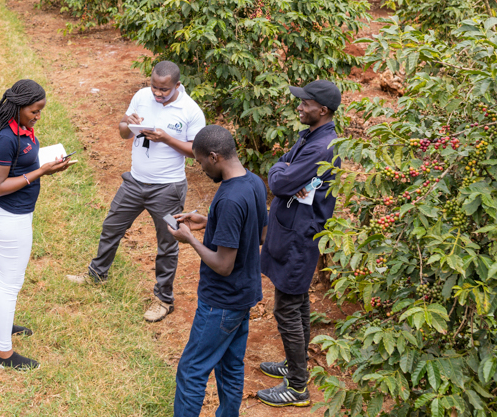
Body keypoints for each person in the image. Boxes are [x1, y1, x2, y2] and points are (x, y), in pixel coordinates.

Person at [66, 61, 206, 322]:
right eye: (154, 87)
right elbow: (122, 133)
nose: (157, 93)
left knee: (168, 242)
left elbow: (197, 151)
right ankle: (97, 274)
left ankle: (164, 299)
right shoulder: (142, 96)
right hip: (134, 182)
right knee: (111, 226)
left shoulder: (190, 111)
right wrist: (126, 123)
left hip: (168, 190)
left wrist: (166, 139)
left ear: (177, 85)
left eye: (164, 90)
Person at [168, 125, 267, 417]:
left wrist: (190, 240)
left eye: (199, 162)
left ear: (214, 157)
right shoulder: (254, 183)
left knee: (191, 370)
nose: (200, 169)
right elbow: (258, 235)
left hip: (220, 302)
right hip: (244, 294)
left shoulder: (229, 199)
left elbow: (224, 265)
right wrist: (207, 221)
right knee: (230, 366)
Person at [256, 79, 343, 408]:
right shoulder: (313, 136)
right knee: (298, 302)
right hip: (293, 229)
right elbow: (285, 168)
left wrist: (281, 170)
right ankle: (297, 366)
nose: (299, 107)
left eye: (304, 103)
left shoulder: (321, 147)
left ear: (321, 110)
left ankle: (296, 387)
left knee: (287, 307)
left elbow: (280, 181)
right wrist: (285, 168)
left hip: (299, 237)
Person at [0, 79, 75, 370]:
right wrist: (39, 172)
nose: (38, 116)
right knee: (12, 283)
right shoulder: (5, 138)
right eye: (34, 111)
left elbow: (21, 164)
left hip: (14, 213)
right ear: (19, 107)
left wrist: (45, 166)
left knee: (3, 269)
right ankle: (3, 355)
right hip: (10, 216)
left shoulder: (21, 128)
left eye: (40, 111)